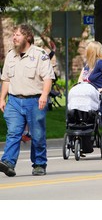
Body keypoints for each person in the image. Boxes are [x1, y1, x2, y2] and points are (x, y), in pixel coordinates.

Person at [0, 24, 55, 177]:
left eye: (17, 35)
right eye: (13, 34)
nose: (14, 37)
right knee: (13, 132)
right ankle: (8, 162)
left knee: (37, 134)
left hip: (35, 101)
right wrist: (1, 98)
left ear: (27, 37)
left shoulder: (39, 54)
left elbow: (48, 78)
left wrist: (44, 95)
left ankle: (39, 164)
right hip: (14, 101)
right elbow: (6, 79)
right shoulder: (11, 55)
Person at [78, 41, 102, 157]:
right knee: (84, 121)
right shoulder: (87, 65)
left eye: (87, 49)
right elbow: (80, 80)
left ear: (92, 51)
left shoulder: (101, 63)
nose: (85, 51)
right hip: (89, 98)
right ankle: (85, 145)